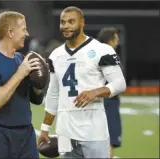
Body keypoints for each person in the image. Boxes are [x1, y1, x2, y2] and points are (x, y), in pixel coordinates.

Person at [37, 6, 126, 158]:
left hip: (94, 130)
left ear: (82, 23)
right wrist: (45, 128)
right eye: (63, 22)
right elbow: (53, 94)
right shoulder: (55, 55)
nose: (66, 26)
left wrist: (95, 92)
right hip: (65, 131)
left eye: (71, 22)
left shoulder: (101, 49)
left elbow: (119, 83)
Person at [0, 11, 45, 158]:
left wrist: (40, 82)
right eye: (23, 29)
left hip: (25, 135)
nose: (27, 33)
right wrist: (20, 73)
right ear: (10, 32)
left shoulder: (21, 59)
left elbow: (36, 99)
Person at [97, 27, 123, 158]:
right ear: (110, 40)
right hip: (109, 100)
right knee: (110, 139)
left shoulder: (93, 52)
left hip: (98, 99)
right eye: (116, 39)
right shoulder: (109, 55)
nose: (117, 42)